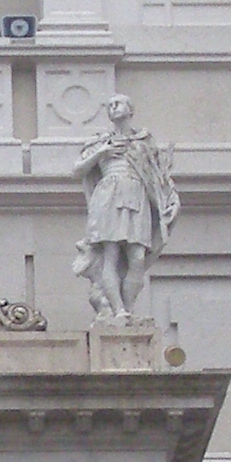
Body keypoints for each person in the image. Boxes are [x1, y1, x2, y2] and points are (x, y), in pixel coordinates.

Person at [72, 96, 179, 320]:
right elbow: (77, 170)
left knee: (137, 257)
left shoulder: (143, 142)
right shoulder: (100, 142)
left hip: (136, 196)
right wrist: (101, 153)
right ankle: (119, 310)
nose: (113, 108)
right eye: (110, 105)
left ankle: (128, 309)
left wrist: (171, 201)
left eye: (118, 104)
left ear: (130, 110)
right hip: (108, 196)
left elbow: (159, 177)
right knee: (110, 254)